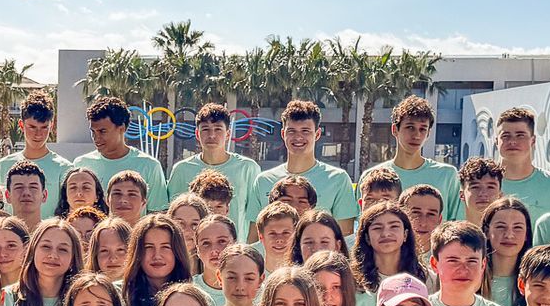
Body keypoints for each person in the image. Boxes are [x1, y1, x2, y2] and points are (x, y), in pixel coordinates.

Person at [253, 99, 359, 234]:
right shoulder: (263, 181)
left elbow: (345, 237)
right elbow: (254, 237)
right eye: (292, 131)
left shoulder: (338, 179)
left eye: (305, 131)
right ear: (283, 134)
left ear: (317, 134)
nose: (298, 137)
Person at [170, 101, 264, 237]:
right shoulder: (181, 170)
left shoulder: (247, 168)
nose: (211, 135)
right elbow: (172, 216)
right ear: (197, 134)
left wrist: (248, 247)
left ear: (228, 134)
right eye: (205, 129)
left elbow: (256, 218)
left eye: (218, 129)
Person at [73, 94, 170, 209]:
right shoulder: (81, 164)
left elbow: (158, 213)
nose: (96, 137)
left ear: (121, 128)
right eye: (93, 132)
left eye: (102, 131)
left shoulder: (149, 166)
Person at [4, 216, 80, 306]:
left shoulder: (81, 300)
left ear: (72, 259)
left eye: (63, 249)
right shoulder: (7, 298)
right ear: (33, 251)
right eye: (46, 247)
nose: (53, 255)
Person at [122, 215, 195, 306]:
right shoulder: (118, 296)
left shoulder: (197, 299)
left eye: (166, 247)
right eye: (148, 247)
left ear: (177, 251)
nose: (157, 255)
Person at [385, 96, 461, 219]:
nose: (416, 135)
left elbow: (457, 223)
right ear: (395, 130)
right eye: (410, 127)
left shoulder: (447, 175)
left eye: (423, 129)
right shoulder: (374, 175)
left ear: (428, 133)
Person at [489, 107, 550, 221]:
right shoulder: (479, 187)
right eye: (506, 136)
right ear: (497, 141)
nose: (512, 141)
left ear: (533, 140)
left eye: (520, 135)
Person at [0, 91, 72, 198]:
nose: (38, 134)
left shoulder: (64, 168)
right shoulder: (3, 166)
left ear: (51, 126)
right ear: (21, 125)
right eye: (32, 127)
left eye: (44, 127)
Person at [479, 196, 532, 306]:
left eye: (517, 228)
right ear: (486, 232)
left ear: (526, 234)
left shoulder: (535, 282)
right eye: (500, 227)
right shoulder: (472, 279)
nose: (509, 235)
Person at [353, 201, 414, 293]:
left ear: (405, 234)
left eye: (394, 226)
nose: (386, 234)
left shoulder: (425, 277)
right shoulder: (352, 281)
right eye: (377, 228)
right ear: (367, 237)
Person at [2, 160, 50, 232]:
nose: (26, 193)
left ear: (44, 195)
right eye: (19, 187)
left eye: (33, 187)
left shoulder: (55, 235)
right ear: (7, 196)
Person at [459, 156, 504, 226]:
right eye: (475, 187)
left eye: (490, 187)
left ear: (500, 195)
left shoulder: (510, 232)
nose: (483, 193)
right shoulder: (451, 232)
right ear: (462, 195)